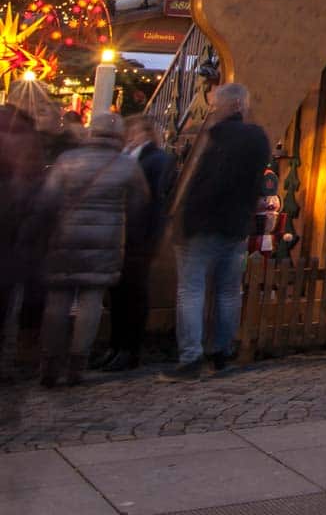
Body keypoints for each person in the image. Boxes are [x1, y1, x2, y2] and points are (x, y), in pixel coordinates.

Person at [164, 82, 271, 380]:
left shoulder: (213, 137)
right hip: (236, 222)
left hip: (202, 222)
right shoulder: (258, 138)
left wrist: (183, 218)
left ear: (225, 106)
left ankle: (190, 357)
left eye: (214, 104)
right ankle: (221, 351)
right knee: (227, 291)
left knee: (191, 289)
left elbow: (201, 181)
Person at [38, 113, 147, 387]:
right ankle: (78, 362)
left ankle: (50, 363)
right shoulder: (126, 165)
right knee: (91, 301)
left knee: (58, 302)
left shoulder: (67, 160)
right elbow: (139, 204)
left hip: (65, 236)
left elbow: (47, 200)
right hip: (104, 240)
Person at [96, 115, 171, 371]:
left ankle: (129, 349)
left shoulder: (156, 159)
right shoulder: (125, 157)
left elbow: (156, 203)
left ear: (147, 133)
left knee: (133, 295)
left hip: (139, 237)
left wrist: (151, 238)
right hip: (120, 235)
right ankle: (115, 346)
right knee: (117, 295)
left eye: (135, 131)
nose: (130, 135)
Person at [1, 78, 58, 380]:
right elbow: (30, 181)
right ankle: (25, 353)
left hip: (16, 224)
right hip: (23, 225)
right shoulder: (26, 135)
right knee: (32, 294)